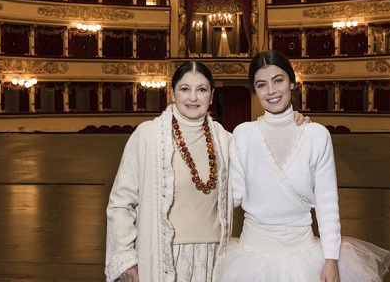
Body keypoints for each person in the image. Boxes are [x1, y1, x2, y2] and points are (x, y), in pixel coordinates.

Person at [105, 61, 308, 282]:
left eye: (201, 89)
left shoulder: (226, 140)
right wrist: (125, 258)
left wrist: (290, 123)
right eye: (185, 89)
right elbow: (121, 202)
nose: (193, 97)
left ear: (211, 96)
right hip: (163, 259)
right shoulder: (147, 136)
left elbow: (266, 156)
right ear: (172, 93)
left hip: (215, 261)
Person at [218, 50, 390, 282]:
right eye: (261, 84)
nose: (271, 91)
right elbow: (232, 195)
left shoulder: (316, 135)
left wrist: (331, 258)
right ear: (255, 91)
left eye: (278, 80)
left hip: (304, 256)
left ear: (292, 82)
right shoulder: (243, 134)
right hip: (250, 254)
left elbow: (327, 203)